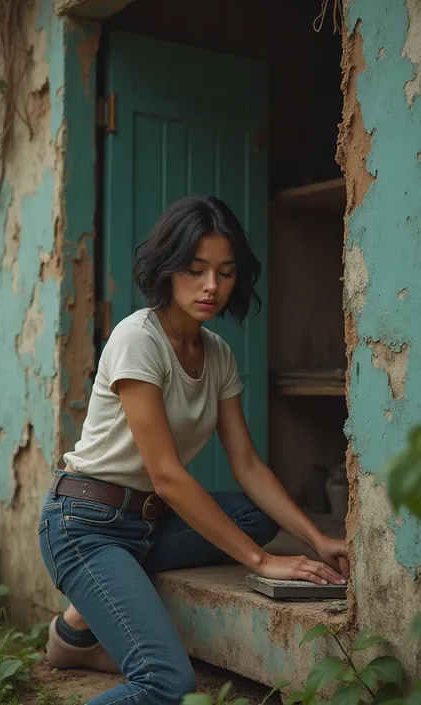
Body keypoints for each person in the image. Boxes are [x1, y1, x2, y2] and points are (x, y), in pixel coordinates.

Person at [38, 195, 349, 705]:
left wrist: (316, 539)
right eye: (195, 269)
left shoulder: (218, 354)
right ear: (168, 267)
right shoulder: (137, 339)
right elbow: (166, 475)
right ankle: (100, 594)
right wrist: (261, 562)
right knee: (166, 684)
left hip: (147, 524)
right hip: (85, 525)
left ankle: (76, 629)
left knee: (252, 512)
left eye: (225, 273)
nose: (211, 286)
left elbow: (246, 463)